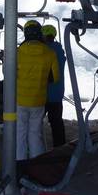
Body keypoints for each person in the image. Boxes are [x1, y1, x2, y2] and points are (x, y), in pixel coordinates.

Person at [16, 20, 59, 163]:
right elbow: (55, 77)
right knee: (35, 133)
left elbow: (9, 73)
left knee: (20, 133)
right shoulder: (50, 52)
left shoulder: (18, 52)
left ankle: (20, 164)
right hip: (38, 100)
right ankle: (36, 165)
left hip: (20, 100)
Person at [42, 24, 67, 148]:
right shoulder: (59, 51)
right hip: (57, 93)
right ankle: (60, 148)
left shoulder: (44, 51)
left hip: (43, 93)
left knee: (34, 124)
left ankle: (36, 149)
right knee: (57, 123)